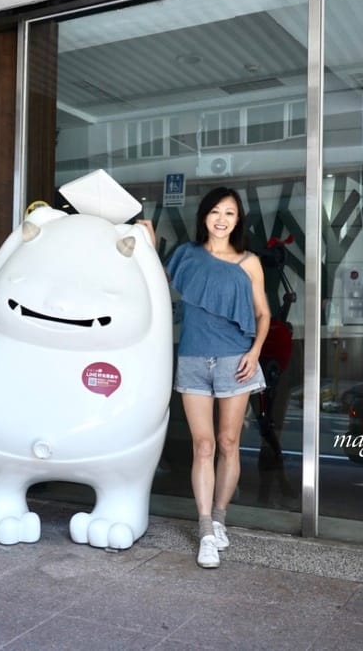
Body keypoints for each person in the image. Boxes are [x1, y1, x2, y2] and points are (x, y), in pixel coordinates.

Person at [142, 187, 270, 568]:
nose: (221, 219)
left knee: (229, 442)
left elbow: (263, 314)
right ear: (204, 217)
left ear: (237, 220)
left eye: (229, 213)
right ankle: (205, 532)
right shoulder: (186, 254)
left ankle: (220, 519)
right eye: (215, 211)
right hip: (194, 359)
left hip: (236, 360)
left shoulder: (249, 262)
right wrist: (148, 243)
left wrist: (255, 351)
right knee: (203, 445)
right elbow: (154, 280)